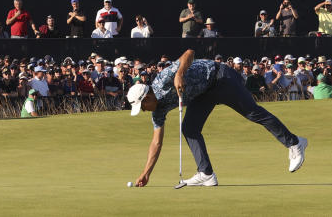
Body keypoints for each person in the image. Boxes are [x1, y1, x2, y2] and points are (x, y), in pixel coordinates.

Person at [128, 49, 307, 187]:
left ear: (147, 97)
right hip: (203, 94)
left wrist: (179, 73)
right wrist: (146, 173)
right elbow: (156, 143)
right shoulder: (157, 112)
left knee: (252, 112)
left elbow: (189, 52)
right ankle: (206, 173)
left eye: (142, 106)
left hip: (220, 77)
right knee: (190, 128)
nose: (143, 111)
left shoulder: (162, 80)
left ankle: (294, 143)